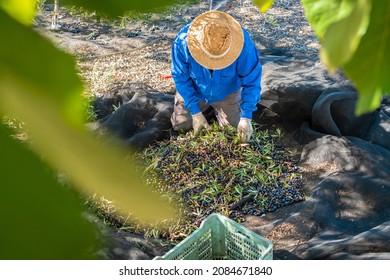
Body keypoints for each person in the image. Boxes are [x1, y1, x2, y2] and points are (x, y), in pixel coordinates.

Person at [170, 10, 262, 143]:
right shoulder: (183, 42)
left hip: (227, 92)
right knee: (180, 126)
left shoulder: (243, 45)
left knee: (234, 131)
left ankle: (218, 111)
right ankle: (200, 110)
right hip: (195, 91)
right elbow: (180, 77)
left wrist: (246, 117)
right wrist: (195, 112)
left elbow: (252, 81)